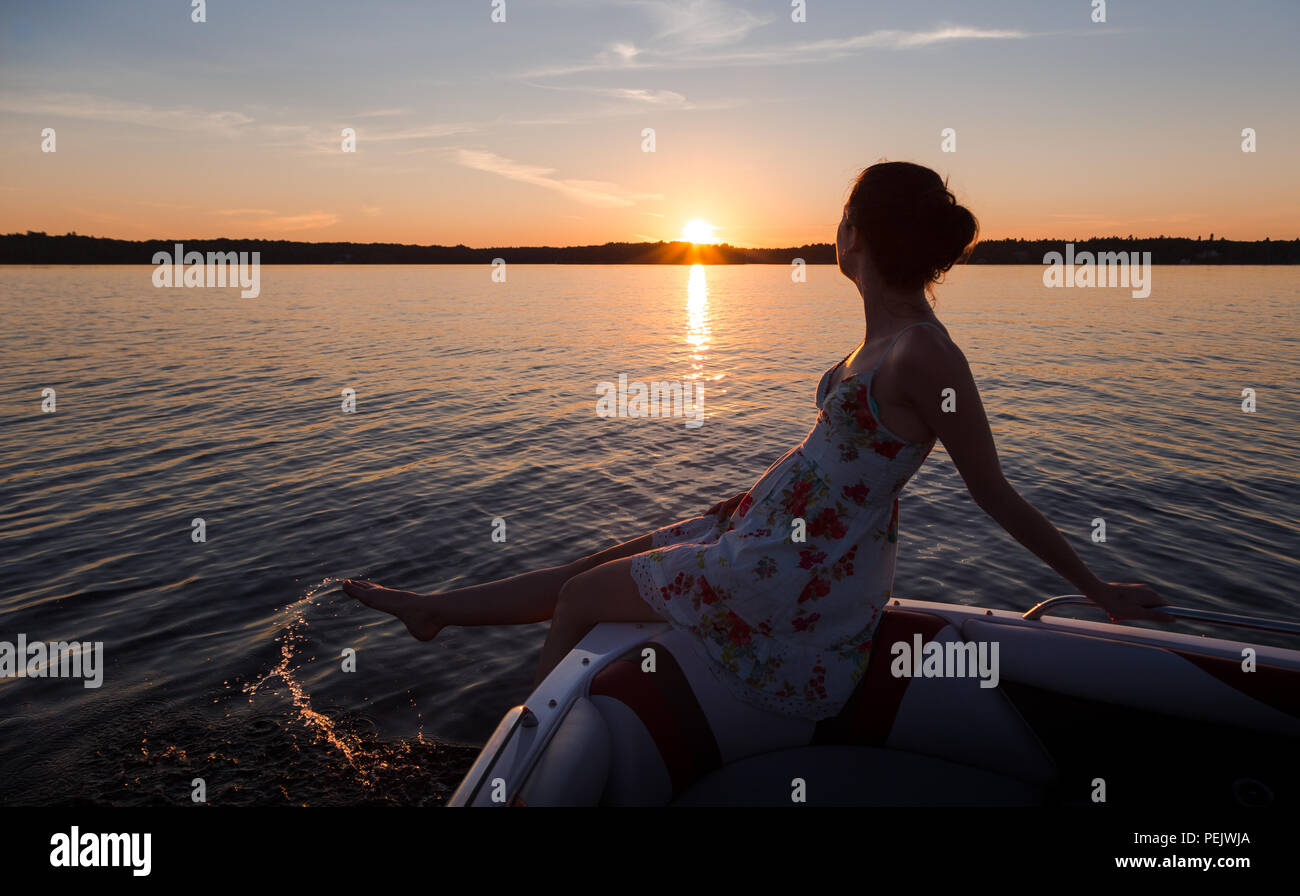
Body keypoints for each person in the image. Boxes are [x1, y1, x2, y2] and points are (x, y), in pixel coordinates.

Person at [342, 160, 1172, 721]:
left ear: (861, 234)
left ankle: (519, 762)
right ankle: (432, 613)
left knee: (583, 602)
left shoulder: (924, 351)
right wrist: (745, 503)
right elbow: (839, 462)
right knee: (589, 567)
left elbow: (991, 489)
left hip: (791, 571)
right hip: (767, 528)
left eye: (842, 217)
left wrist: (1094, 588)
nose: (833, 229)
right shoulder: (878, 343)